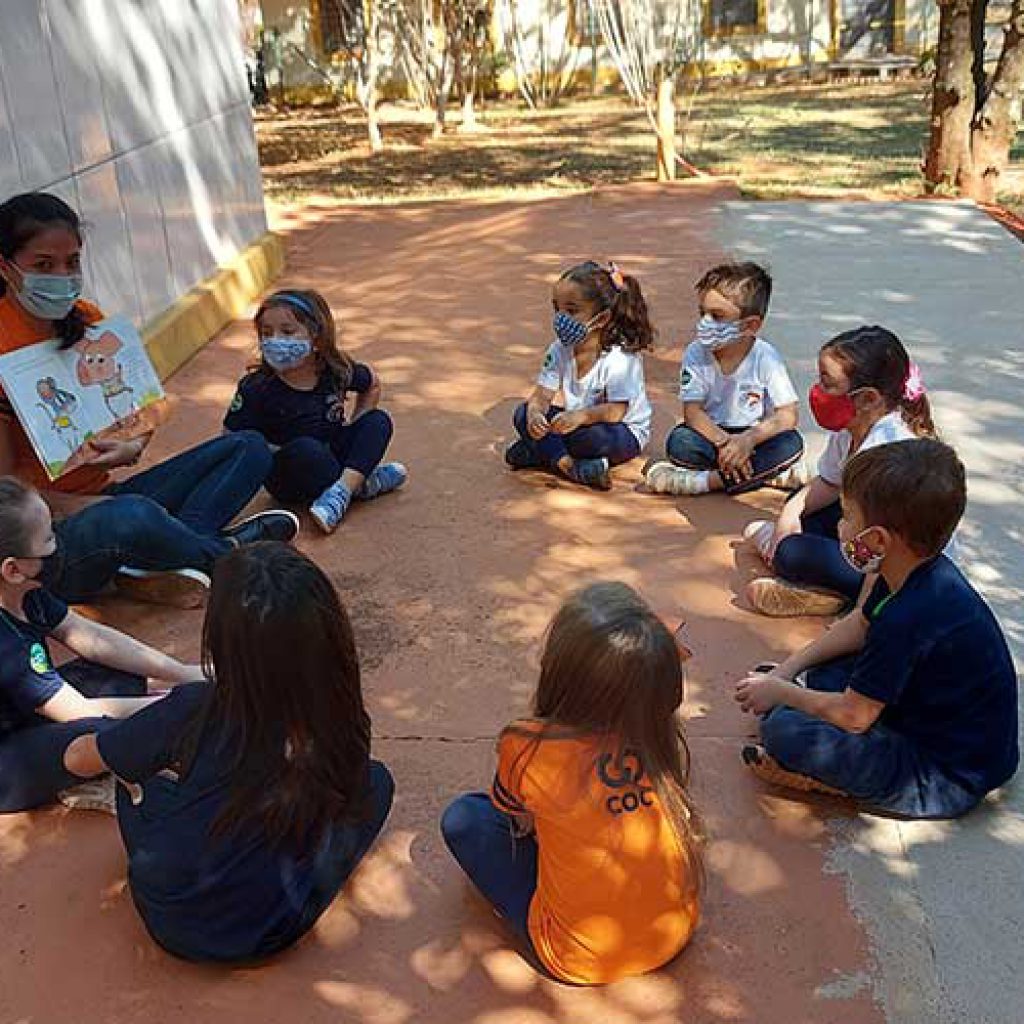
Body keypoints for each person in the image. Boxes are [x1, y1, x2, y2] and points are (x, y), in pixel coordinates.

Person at [63, 543, 394, 962]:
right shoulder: (340, 709)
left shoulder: (196, 707)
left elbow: (78, 758)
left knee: (141, 781)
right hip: (273, 928)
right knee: (376, 781)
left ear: (221, 642)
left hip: (174, 913)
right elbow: (347, 786)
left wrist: (126, 738)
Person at [0, 192, 298, 608]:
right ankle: (230, 558)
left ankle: (164, 557)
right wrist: (83, 507)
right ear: (5, 267)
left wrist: (132, 446)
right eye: (44, 266)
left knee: (248, 447)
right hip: (46, 536)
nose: (63, 277)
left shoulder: (86, 319)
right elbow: (6, 492)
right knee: (133, 513)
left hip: (106, 494)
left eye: (72, 263)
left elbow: (135, 412)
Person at [734, 439, 1018, 819]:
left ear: (879, 539)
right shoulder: (914, 571)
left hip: (943, 776)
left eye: (847, 515)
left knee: (786, 731)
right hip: (931, 718)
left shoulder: (908, 616)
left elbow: (854, 716)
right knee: (824, 669)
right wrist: (786, 673)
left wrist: (782, 692)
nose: (839, 524)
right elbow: (860, 623)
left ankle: (823, 773)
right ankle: (795, 701)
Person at [441, 582, 702, 985]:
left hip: (578, 957)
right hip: (674, 932)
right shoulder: (658, 732)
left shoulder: (527, 744)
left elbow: (514, 820)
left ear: (557, 674)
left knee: (465, 818)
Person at [0, 477, 198, 813]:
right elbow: (79, 713)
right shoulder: (7, 647)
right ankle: (99, 776)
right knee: (102, 731)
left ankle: (101, 765)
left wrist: (184, 673)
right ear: (13, 569)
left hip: (23, 713)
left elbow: (92, 638)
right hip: (6, 759)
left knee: (110, 670)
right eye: (49, 539)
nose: (58, 545)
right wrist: (185, 704)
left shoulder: (24, 595)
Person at [743, 325, 935, 617]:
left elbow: (885, 553)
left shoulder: (886, 452)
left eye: (827, 384)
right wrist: (790, 512)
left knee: (790, 552)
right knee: (800, 506)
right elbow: (829, 483)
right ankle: (820, 585)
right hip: (863, 533)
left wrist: (860, 616)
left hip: (892, 568)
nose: (818, 392)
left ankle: (832, 596)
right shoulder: (849, 430)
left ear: (868, 398)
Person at [223, 289, 406, 534]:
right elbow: (231, 437)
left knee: (378, 421)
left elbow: (371, 384)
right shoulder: (257, 387)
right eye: (267, 333)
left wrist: (356, 429)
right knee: (307, 449)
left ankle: (342, 491)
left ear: (317, 339)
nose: (275, 340)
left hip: (331, 450)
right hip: (290, 472)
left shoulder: (335, 371)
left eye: (287, 332)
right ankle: (360, 483)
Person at [644, 262, 805, 496]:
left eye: (717, 316)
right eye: (703, 313)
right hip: (712, 435)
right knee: (680, 442)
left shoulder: (766, 356)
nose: (705, 323)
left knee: (791, 442)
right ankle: (766, 474)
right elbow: (693, 412)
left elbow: (787, 415)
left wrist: (747, 442)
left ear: (750, 325)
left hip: (753, 437)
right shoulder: (696, 352)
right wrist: (726, 444)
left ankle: (706, 482)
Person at [505, 261, 654, 491]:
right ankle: (569, 466)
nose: (561, 318)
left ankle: (542, 452)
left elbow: (616, 411)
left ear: (602, 319)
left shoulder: (620, 357)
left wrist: (580, 417)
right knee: (521, 414)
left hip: (620, 430)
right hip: (577, 421)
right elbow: (542, 396)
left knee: (590, 439)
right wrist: (535, 415)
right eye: (557, 309)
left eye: (572, 310)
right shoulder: (559, 350)